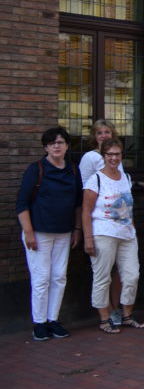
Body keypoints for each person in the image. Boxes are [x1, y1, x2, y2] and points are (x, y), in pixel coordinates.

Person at [16, 127, 82, 341]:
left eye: (60, 142)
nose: (56, 146)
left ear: (67, 146)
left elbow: (78, 204)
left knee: (59, 277)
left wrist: (77, 229)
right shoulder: (36, 169)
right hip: (39, 233)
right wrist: (28, 232)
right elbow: (22, 204)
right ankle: (39, 322)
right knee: (41, 278)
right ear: (45, 147)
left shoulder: (73, 171)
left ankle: (53, 319)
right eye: (52, 143)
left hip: (64, 232)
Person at [82, 138, 144, 333]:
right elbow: (86, 211)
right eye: (109, 154)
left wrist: (133, 231)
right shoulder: (96, 179)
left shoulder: (125, 177)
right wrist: (88, 238)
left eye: (117, 154)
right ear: (103, 156)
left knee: (132, 275)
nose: (114, 158)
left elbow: (128, 207)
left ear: (122, 155)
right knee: (102, 277)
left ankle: (127, 315)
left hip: (127, 234)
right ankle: (104, 319)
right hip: (103, 233)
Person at [79, 119, 123, 324]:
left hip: (120, 224)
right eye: (99, 133)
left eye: (107, 132)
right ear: (94, 137)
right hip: (101, 223)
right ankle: (107, 311)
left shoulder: (117, 157)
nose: (103, 135)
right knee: (103, 271)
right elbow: (85, 190)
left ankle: (116, 306)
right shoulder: (90, 157)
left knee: (119, 270)